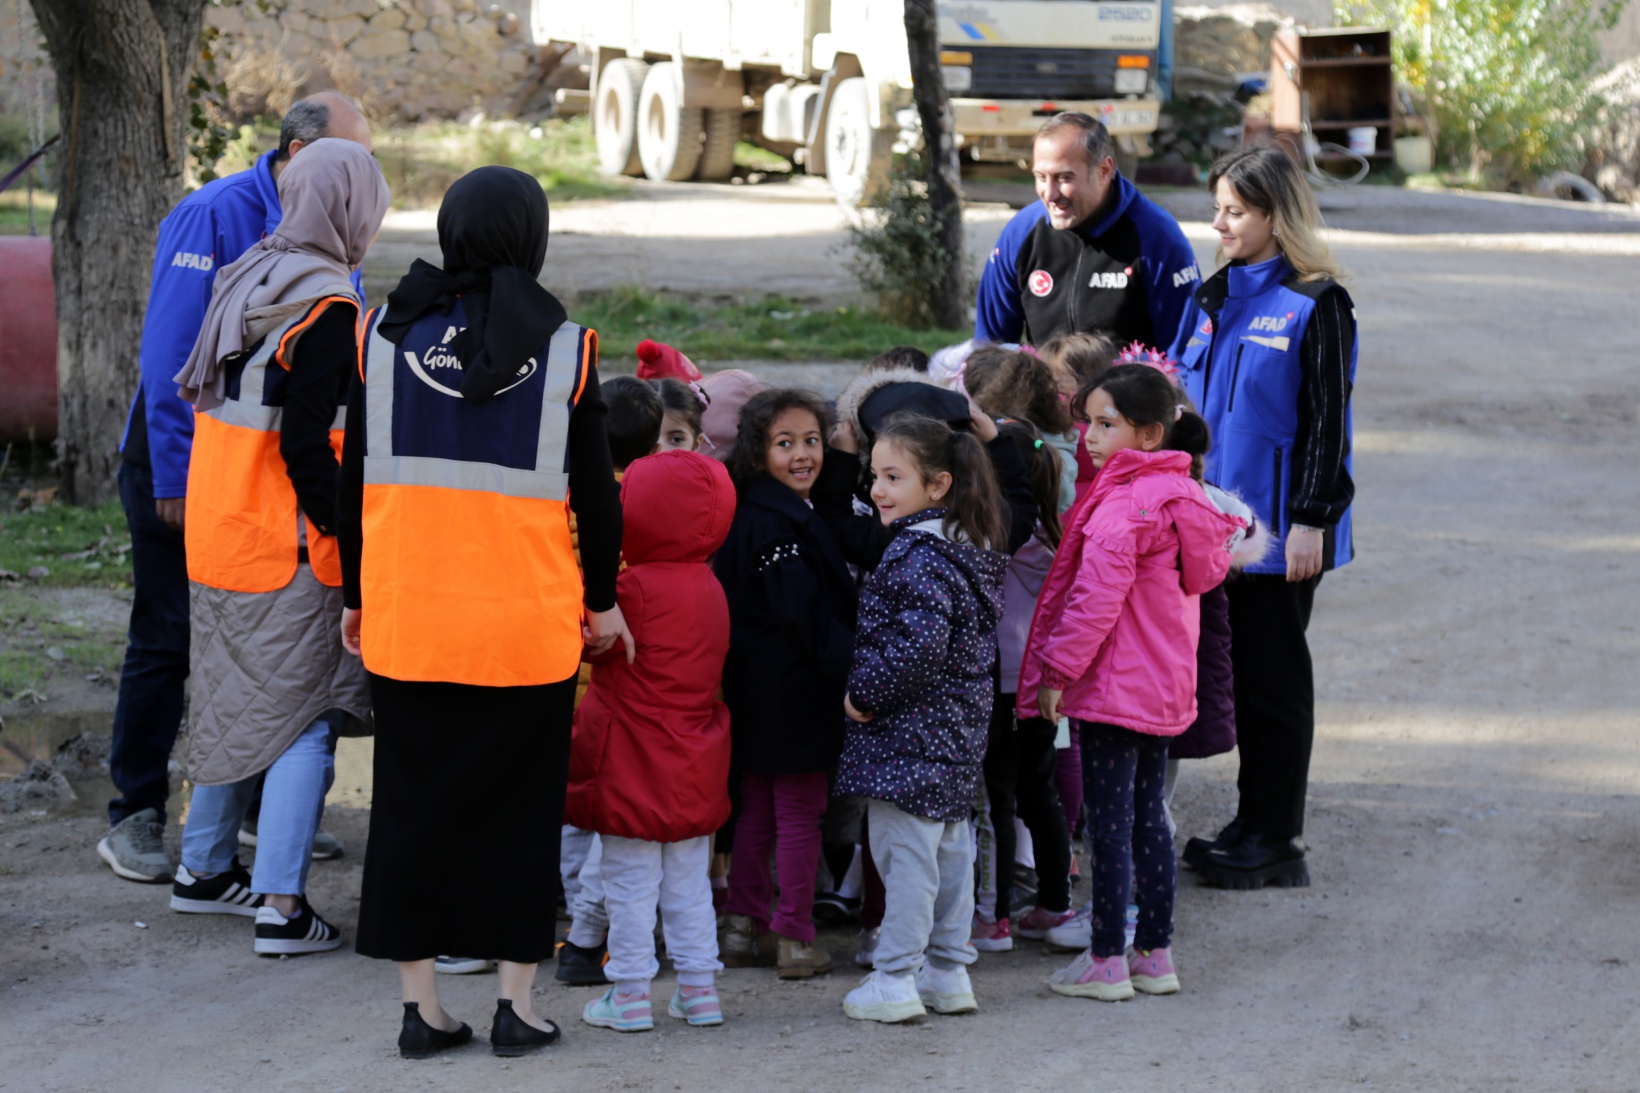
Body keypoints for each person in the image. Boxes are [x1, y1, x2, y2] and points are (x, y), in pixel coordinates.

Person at [339, 166, 628, 1059]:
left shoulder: (379, 335)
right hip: (525, 623)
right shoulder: (566, 347)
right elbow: (598, 497)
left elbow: (353, 485)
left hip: (409, 613)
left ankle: (420, 1010)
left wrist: (356, 596)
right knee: (518, 813)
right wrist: (605, 602)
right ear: (530, 237)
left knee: (410, 812)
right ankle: (515, 1005)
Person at [99, 93, 372, 883]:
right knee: (170, 635)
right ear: (296, 152)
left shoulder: (327, 219)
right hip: (182, 466)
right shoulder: (216, 213)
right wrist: (179, 478)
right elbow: (168, 359)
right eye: (349, 158)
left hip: (261, 482)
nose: (362, 176)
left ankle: (252, 808)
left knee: (256, 644)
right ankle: (137, 812)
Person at [165, 139, 388, 957]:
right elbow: (304, 447)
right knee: (304, 720)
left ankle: (203, 869)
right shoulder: (327, 306)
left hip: (219, 529)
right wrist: (347, 531)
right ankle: (283, 905)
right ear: (349, 209)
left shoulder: (253, 273)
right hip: (284, 544)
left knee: (233, 703)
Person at [1017, 364, 1246, 1002]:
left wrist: (1056, 672)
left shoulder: (1123, 506)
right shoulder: (1189, 498)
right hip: (1166, 688)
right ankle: (1155, 952)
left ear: (1147, 434)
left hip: (1115, 690)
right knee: (1150, 818)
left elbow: (1093, 603)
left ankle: (1105, 960)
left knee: (1110, 825)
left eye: (1104, 423)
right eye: (1087, 420)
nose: (1088, 435)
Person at [1170, 144, 1358, 890]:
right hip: (1216, 527)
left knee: (1273, 682)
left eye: (1235, 211)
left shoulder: (1317, 301)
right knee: (1238, 678)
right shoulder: (1215, 297)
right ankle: (1250, 821)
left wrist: (1312, 516)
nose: (1219, 222)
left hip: (1281, 534)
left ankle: (1278, 837)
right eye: (1217, 207)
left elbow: (1325, 424)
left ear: (1277, 216)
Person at [837, 414, 1008, 1023]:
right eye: (875, 474)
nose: (877, 490)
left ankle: (895, 979)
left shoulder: (916, 554)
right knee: (951, 854)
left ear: (937, 485)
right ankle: (947, 971)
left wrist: (864, 695)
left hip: (909, 738)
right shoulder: (966, 550)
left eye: (892, 477)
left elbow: (919, 643)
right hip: (957, 737)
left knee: (906, 859)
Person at [566, 450, 736, 1032]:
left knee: (629, 883)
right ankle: (699, 990)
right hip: (693, 759)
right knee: (688, 882)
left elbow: (589, 648)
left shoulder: (628, 589)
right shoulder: (711, 586)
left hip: (632, 763)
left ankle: (631, 992)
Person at [713, 389, 857, 980]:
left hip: (754, 688)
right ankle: (795, 934)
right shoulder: (779, 523)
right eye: (785, 443)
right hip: (796, 689)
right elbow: (803, 614)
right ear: (755, 451)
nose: (803, 455)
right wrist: (854, 670)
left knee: (758, 809)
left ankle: (744, 927)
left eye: (812, 441)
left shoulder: (752, 510)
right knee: (799, 811)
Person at [553, 373, 665, 989]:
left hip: (561, 679)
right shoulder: (642, 513)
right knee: (612, 820)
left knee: (575, 813)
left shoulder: (559, 500)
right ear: (651, 451)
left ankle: (578, 924)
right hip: (615, 691)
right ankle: (599, 932)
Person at [969, 418, 1074, 952]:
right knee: (1041, 795)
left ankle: (994, 917)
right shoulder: (1056, 536)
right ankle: (1055, 904)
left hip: (998, 682)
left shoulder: (997, 537)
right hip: (1041, 686)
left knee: (994, 798)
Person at [974, 112, 1200, 351]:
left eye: (1063, 178)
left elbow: (1184, 359)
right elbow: (988, 350)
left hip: (1130, 387)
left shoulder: (1158, 238)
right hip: (1043, 387)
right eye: (1041, 177)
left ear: (1104, 170)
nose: (1049, 194)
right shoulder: (1021, 232)